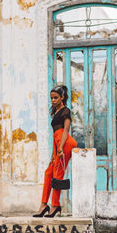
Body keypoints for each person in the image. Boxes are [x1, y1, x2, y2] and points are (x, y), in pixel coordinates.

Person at [33, 85, 77, 218]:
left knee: (58, 173)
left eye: (55, 98)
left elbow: (65, 130)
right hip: (57, 144)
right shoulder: (56, 111)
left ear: (62, 97)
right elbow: (55, 135)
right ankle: (43, 205)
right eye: (51, 98)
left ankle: (55, 205)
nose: (52, 100)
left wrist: (60, 148)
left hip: (66, 143)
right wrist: (54, 153)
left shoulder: (65, 111)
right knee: (48, 173)